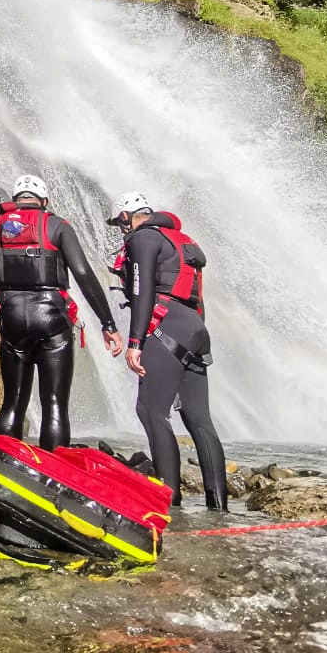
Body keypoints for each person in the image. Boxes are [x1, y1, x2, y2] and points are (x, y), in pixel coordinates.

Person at [0, 174, 123, 449]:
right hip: (53, 320)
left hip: (13, 320)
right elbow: (83, 273)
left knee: (12, 402)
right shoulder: (57, 226)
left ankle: (3, 471)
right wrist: (108, 324)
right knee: (54, 404)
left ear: (15, 201)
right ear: (44, 201)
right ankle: (54, 477)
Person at [108, 191, 227, 510]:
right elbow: (195, 295)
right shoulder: (180, 239)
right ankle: (219, 505)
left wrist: (135, 343)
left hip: (165, 326)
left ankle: (168, 501)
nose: (121, 231)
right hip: (194, 328)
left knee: (150, 410)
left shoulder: (142, 239)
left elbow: (142, 289)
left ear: (127, 217)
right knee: (199, 419)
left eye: (121, 224)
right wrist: (197, 334)